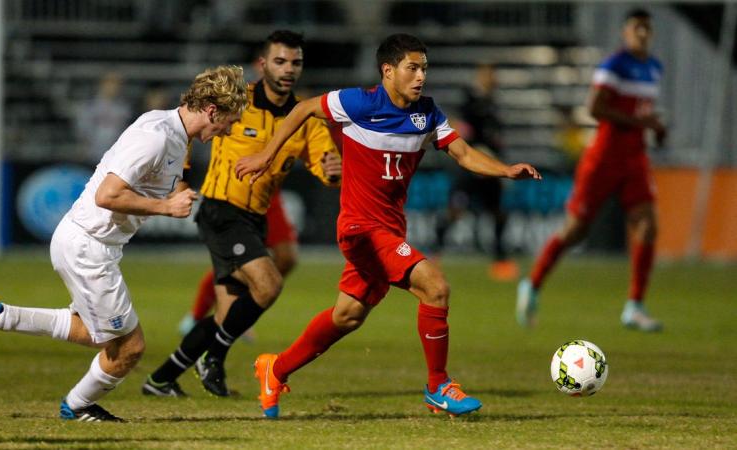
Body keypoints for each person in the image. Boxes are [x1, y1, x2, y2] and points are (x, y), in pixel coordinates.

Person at [235, 33, 541, 419]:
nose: (420, 77)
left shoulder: (427, 113)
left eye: (424, 69)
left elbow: (462, 153)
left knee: (348, 315)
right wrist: (267, 153)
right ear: (388, 70)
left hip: (390, 230)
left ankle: (274, 369)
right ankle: (438, 386)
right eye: (412, 68)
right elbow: (303, 109)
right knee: (435, 286)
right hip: (360, 228)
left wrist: (506, 170)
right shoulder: (358, 103)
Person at [0, 66, 247, 421]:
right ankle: (77, 406)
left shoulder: (172, 132)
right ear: (212, 110)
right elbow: (108, 194)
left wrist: (180, 192)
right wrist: (165, 206)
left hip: (87, 243)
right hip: (89, 246)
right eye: (230, 119)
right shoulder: (157, 136)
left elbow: (162, 178)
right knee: (130, 348)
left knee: (94, 333)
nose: (230, 128)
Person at [143, 30, 341, 399]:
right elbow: (186, 126)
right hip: (220, 209)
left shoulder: (307, 118)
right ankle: (213, 358)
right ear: (263, 64)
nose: (288, 70)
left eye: (295, 63)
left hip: (254, 219)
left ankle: (161, 379)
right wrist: (181, 179)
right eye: (280, 61)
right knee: (269, 284)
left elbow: (325, 167)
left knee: (226, 315)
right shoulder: (239, 100)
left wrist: (333, 171)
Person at [516, 9, 665, 332]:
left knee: (648, 226)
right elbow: (594, 107)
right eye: (637, 28)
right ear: (626, 32)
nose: (642, 34)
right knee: (575, 230)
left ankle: (635, 306)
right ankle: (532, 283)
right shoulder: (615, 65)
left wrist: (656, 128)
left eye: (647, 29)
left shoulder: (654, 68)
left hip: (635, 158)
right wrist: (643, 122)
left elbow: (642, 111)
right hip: (603, 159)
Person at [445, 63, 518, 281]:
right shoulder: (469, 99)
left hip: (490, 165)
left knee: (497, 213)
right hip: (471, 163)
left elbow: (496, 135)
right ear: (481, 76)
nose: (492, 79)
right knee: (454, 211)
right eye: (489, 75)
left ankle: (499, 260)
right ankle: (434, 252)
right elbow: (460, 128)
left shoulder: (493, 103)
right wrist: (475, 149)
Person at [75, 71, 133, 164]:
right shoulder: (89, 107)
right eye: (111, 82)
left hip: (115, 158)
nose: (114, 87)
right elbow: (83, 132)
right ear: (102, 83)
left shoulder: (124, 109)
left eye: (118, 83)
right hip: (91, 156)